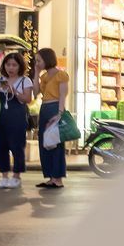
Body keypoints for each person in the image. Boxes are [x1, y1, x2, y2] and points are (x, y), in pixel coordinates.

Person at [0, 52, 33, 190]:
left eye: (14, 65)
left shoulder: (25, 80)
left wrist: (13, 90)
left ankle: (16, 177)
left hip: (17, 117)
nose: (11, 68)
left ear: (20, 66)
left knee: (17, 147)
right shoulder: (0, 79)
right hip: (0, 118)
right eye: (8, 64)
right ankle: (4, 177)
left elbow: (27, 99)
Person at [35, 48, 70, 189]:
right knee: (45, 143)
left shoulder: (61, 75)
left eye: (39, 60)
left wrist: (60, 113)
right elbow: (36, 93)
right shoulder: (43, 77)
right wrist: (36, 73)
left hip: (55, 108)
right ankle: (50, 177)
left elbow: (63, 95)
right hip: (44, 109)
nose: (37, 63)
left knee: (56, 144)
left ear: (47, 59)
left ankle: (58, 178)